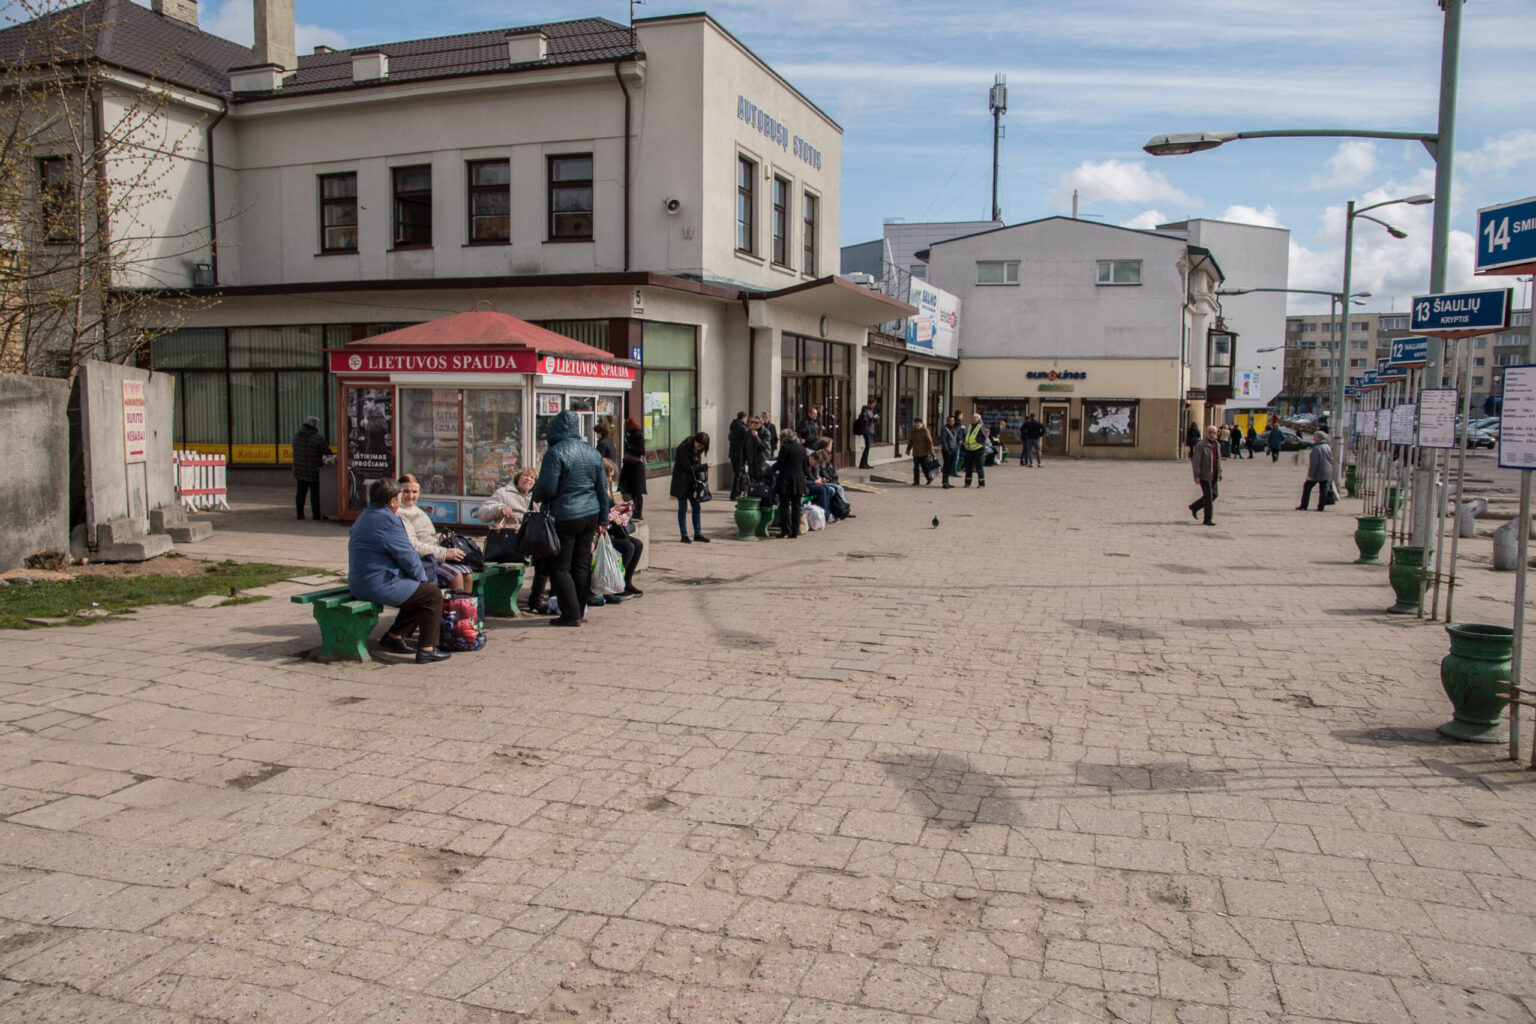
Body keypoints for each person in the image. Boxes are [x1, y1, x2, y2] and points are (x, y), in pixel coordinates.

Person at [347, 477, 450, 663]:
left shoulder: (366, 515)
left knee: (418, 593)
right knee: (431, 595)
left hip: (359, 582)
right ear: (393, 501)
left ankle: (394, 637)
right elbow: (407, 555)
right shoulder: (389, 520)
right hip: (378, 584)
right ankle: (427, 648)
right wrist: (422, 579)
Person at [531, 410, 611, 627]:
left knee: (559, 566)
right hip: (590, 514)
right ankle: (580, 609)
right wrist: (604, 518)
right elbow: (602, 490)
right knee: (582, 565)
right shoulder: (592, 453)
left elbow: (547, 488)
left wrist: (536, 494)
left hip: (565, 514)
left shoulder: (556, 453)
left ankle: (570, 613)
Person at [475, 466, 552, 615]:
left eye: (532, 477)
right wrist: (499, 508)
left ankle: (537, 599)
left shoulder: (536, 498)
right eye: (526, 476)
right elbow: (482, 513)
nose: (528, 479)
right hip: (509, 543)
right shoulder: (504, 493)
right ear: (518, 477)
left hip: (530, 543)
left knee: (546, 559)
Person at [396, 474, 471, 592]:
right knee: (455, 575)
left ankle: (468, 608)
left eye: (414, 492)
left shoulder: (415, 509)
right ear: (398, 492)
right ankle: (454, 608)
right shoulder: (399, 513)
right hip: (420, 561)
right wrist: (444, 553)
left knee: (467, 572)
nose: (411, 496)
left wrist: (440, 537)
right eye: (406, 491)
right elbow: (413, 545)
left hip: (432, 554)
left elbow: (425, 535)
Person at [601, 459, 645, 599]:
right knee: (628, 547)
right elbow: (600, 513)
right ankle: (616, 584)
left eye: (611, 476)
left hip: (613, 529)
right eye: (608, 476)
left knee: (637, 544)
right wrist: (612, 511)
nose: (609, 479)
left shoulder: (608, 488)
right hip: (603, 533)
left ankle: (626, 581)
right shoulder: (598, 489)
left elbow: (611, 508)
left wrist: (620, 510)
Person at [669, 432, 711, 543]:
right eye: (699, 444)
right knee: (683, 508)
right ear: (694, 440)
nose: (700, 447)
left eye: (702, 446)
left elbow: (695, 467)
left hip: (693, 484)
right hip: (681, 483)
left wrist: (700, 479)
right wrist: (704, 467)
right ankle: (684, 535)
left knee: (696, 508)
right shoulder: (683, 448)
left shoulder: (698, 450)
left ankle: (698, 533)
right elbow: (688, 467)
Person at [292, 415, 328, 521]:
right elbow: (326, 450)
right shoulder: (317, 437)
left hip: (300, 469)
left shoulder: (297, 436)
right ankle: (316, 515)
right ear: (314, 425)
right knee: (315, 493)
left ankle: (300, 514)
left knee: (300, 492)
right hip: (313, 469)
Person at [775, 430, 811, 538]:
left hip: (786, 480)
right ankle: (795, 531)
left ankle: (785, 531)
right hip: (799, 480)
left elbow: (780, 464)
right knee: (796, 506)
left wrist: (770, 468)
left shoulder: (785, 447)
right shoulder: (801, 448)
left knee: (784, 506)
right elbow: (805, 466)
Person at [1188, 425, 1221, 526]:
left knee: (1214, 495)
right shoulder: (1201, 445)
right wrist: (1196, 475)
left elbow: (1218, 460)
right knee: (1208, 497)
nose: (1211, 434)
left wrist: (1220, 472)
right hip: (1205, 475)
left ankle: (1194, 507)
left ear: (1216, 434)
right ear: (1206, 433)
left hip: (1214, 474)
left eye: (1213, 432)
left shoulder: (1217, 444)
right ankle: (1207, 519)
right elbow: (1196, 461)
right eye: (1209, 432)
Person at [619, 417, 648, 522]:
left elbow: (641, 451)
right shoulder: (634, 435)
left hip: (636, 468)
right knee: (631, 492)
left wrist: (629, 446)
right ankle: (635, 512)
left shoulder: (637, 435)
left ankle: (637, 513)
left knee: (636, 492)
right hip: (631, 468)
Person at [1298, 431, 1334, 511]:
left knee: (1307, 487)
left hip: (1318, 472)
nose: (1313, 438)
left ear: (1320, 438)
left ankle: (1304, 505)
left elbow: (1314, 463)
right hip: (1327, 471)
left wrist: (1311, 474)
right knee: (1323, 489)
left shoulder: (1317, 448)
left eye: (1315, 436)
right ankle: (1321, 506)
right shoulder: (1327, 447)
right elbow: (1331, 459)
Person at [905, 418, 935, 486]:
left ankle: (929, 478)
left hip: (924, 452)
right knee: (916, 468)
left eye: (918, 423)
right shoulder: (913, 431)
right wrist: (908, 450)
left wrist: (931, 451)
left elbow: (929, 442)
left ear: (921, 423)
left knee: (924, 467)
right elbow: (911, 441)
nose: (917, 424)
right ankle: (916, 481)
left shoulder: (925, 430)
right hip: (916, 453)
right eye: (916, 423)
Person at [961, 413, 987, 488]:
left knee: (979, 467)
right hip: (969, 449)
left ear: (978, 419)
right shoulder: (970, 426)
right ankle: (967, 482)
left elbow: (984, 437)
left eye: (975, 418)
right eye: (972, 418)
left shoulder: (981, 426)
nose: (973, 420)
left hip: (978, 449)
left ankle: (981, 483)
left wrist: (977, 440)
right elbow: (967, 435)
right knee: (968, 466)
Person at [727, 411, 749, 499]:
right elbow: (746, 440)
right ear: (744, 417)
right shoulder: (743, 428)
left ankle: (736, 493)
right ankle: (735, 493)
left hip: (733, 453)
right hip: (739, 454)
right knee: (739, 475)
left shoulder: (733, 426)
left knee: (737, 474)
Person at [744, 416, 770, 482]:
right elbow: (744, 448)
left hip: (761, 464)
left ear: (761, 423)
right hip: (751, 464)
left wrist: (756, 436)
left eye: (756, 422)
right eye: (752, 422)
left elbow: (762, 447)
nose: (753, 424)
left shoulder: (765, 432)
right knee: (752, 486)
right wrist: (742, 462)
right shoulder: (748, 433)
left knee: (761, 486)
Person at [854, 401, 879, 469]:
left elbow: (871, 421)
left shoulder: (871, 411)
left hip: (871, 431)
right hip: (866, 431)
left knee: (868, 447)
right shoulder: (865, 411)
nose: (873, 406)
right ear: (869, 404)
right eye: (873, 405)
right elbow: (865, 421)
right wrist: (873, 418)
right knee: (867, 447)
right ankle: (862, 463)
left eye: (874, 405)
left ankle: (865, 463)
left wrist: (875, 419)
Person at [940, 414, 961, 489]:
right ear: (947, 421)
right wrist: (946, 449)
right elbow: (943, 439)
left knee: (950, 466)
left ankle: (948, 481)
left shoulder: (954, 429)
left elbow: (957, 437)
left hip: (954, 449)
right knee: (946, 466)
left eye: (952, 420)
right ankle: (944, 482)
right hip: (947, 450)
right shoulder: (944, 428)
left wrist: (960, 440)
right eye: (950, 420)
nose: (951, 422)